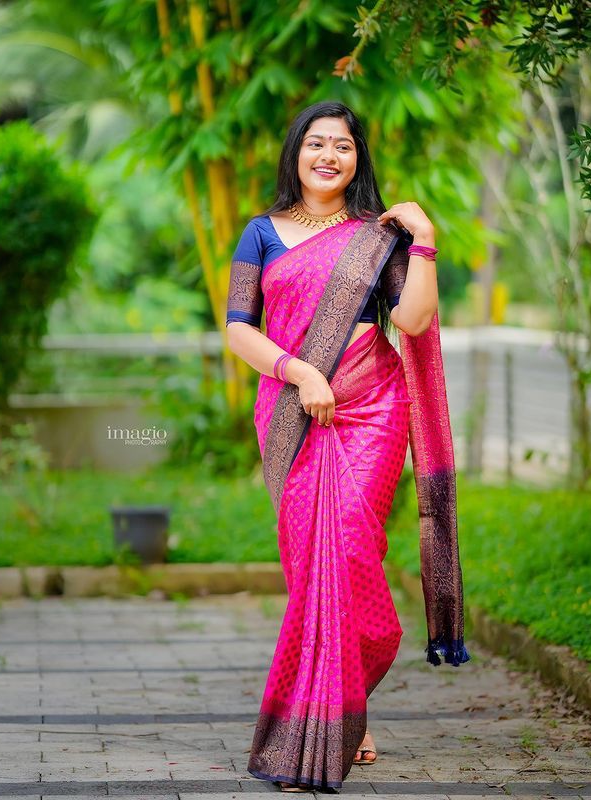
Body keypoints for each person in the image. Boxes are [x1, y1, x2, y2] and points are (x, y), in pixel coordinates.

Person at [226, 101, 470, 793]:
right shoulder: (260, 233)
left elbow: (414, 319)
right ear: (295, 153)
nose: (328, 155)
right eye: (315, 143)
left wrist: (422, 238)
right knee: (312, 564)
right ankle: (342, 714)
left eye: (342, 145)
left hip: (373, 408)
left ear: (358, 158)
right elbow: (240, 327)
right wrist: (299, 371)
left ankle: (343, 704)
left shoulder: (378, 237)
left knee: (355, 551)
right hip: (293, 412)